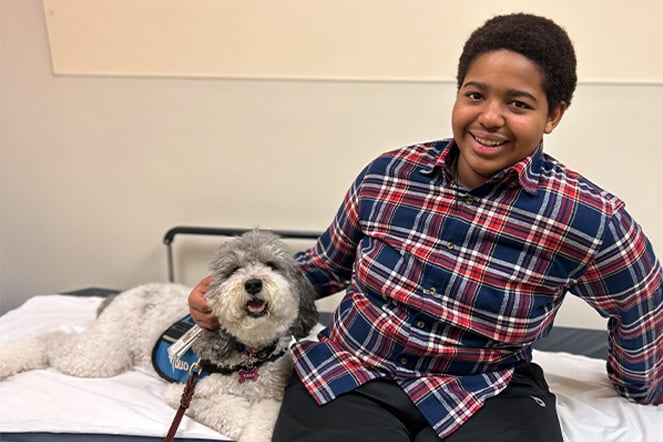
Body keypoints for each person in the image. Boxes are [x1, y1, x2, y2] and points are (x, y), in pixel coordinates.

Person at [189, 13, 662, 441]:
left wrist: (640, 385)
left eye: (518, 104)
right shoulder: (387, 175)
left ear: (553, 115)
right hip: (351, 373)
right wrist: (232, 294)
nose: (489, 118)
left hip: (485, 389)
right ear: (458, 95)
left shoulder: (589, 219)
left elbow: (642, 307)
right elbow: (325, 266)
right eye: (475, 95)